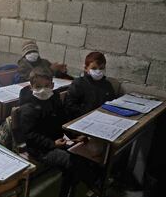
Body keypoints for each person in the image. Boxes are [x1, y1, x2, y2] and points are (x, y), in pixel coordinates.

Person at [18, 67, 95, 197]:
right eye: (38, 87)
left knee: (83, 155)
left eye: (47, 86)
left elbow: (62, 120)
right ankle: (89, 187)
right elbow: (30, 135)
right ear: (31, 87)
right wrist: (52, 144)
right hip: (40, 149)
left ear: (52, 85)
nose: (43, 90)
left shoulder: (54, 100)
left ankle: (67, 190)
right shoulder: (28, 107)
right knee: (72, 163)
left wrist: (74, 136)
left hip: (58, 142)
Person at [64, 51, 115, 119]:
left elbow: (112, 103)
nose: (98, 71)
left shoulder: (107, 85)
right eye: (94, 68)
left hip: (102, 118)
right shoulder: (78, 84)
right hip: (82, 118)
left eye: (101, 68)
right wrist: (88, 114)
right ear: (86, 68)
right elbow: (70, 106)